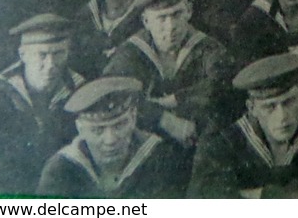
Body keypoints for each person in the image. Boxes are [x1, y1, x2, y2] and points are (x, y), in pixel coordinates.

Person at [187, 53, 298, 198]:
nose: (282, 116)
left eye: (288, 102)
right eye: (269, 107)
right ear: (252, 108)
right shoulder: (226, 142)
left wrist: (261, 196)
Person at [36, 77, 188, 198]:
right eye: (97, 130)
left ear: (133, 117)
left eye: (119, 126)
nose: (111, 139)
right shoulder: (60, 170)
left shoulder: (160, 159)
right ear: (80, 128)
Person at [0, 14, 86, 195]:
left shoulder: (81, 90)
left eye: (59, 53)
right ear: (23, 55)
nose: (51, 65)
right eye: (42, 55)